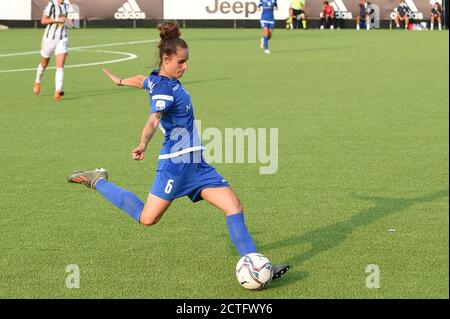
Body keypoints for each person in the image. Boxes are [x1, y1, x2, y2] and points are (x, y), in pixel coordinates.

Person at [67, 22, 289, 282]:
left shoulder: (160, 80)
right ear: (166, 58)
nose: (185, 66)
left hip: (197, 164)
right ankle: (98, 180)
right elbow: (153, 119)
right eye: (181, 62)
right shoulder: (164, 89)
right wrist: (143, 143)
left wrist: (120, 81)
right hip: (176, 165)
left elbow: (144, 80)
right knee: (147, 218)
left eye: (187, 61)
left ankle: (255, 265)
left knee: (234, 206)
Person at [33, 0, 72, 100]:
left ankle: (58, 91)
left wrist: (69, 21)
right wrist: (57, 20)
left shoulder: (67, 5)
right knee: (44, 64)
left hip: (62, 37)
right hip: (49, 38)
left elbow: (68, 21)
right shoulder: (52, 4)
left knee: (60, 66)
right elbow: (43, 20)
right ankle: (38, 81)